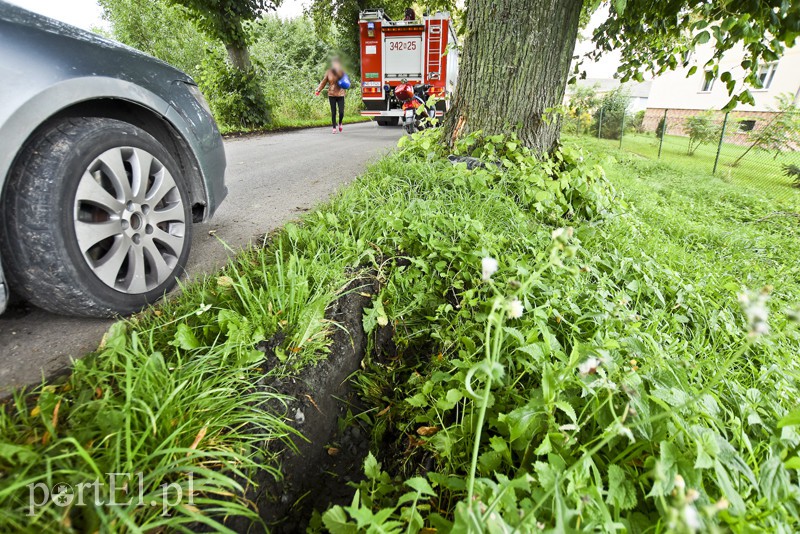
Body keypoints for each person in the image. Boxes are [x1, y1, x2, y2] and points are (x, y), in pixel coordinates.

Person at [315, 58, 347, 134]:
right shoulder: (329, 72)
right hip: (332, 94)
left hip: (340, 94)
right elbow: (324, 82)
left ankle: (340, 123)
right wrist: (318, 90)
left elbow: (346, 82)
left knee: (341, 112)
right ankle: (334, 127)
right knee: (333, 112)